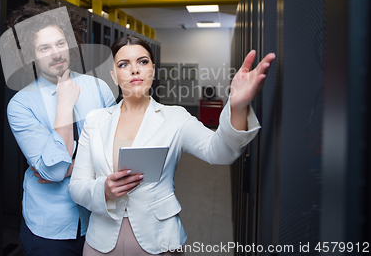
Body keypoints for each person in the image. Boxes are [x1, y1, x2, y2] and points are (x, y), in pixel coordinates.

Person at [68, 36, 275, 255]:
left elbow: (219, 152)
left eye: (142, 62)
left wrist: (238, 106)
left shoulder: (176, 117)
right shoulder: (95, 120)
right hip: (101, 239)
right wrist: (104, 190)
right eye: (123, 64)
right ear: (113, 76)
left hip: (159, 238)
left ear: (153, 70)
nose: (135, 70)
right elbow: (77, 186)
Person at [4, 3, 116, 256]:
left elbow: (118, 152)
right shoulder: (21, 104)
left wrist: (69, 168)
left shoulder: (99, 88)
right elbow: (55, 170)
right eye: (44, 48)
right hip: (50, 230)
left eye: (60, 43)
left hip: (100, 218)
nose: (56, 54)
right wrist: (64, 105)